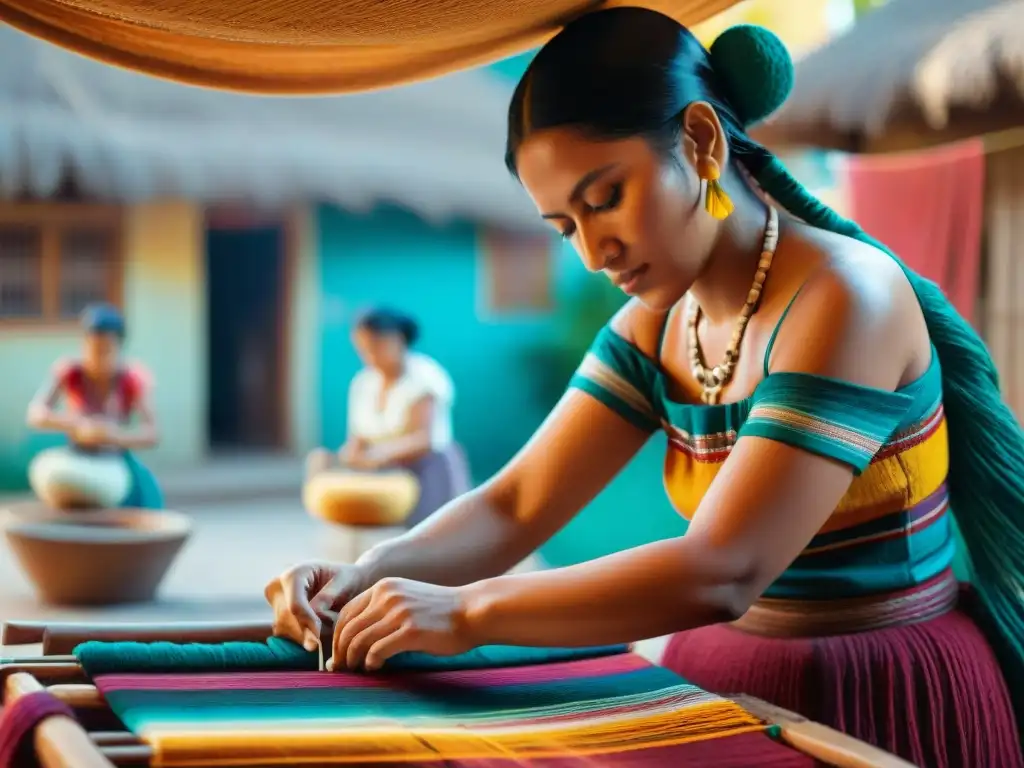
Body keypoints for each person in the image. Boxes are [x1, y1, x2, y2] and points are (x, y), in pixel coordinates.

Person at [265, 11, 1024, 766]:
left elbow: (724, 569)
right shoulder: (656, 328)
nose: (596, 251)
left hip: (881, 696)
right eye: (566, 226)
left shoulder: (846, 299)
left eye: (606, 198)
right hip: (727, 679)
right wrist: (364, 577)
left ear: (700, 141)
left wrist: (467, 611)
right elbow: (516, 504)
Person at [306, 307, 469, 528]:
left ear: (398, 340)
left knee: (428, 538)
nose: (370, 354)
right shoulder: (364, 382)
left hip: (427, 471)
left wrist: (379, 454)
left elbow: (423, 438)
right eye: (363, 348)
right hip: (382, 472)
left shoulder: (424, 376)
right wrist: (352, 454)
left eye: (376, 345)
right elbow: (359, 436)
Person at [25, 302, 163, 510]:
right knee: (52, 476)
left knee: (134, 499)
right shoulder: (70, 371)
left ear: (119, 348)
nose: (98, 357)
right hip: (77, 455)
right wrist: (78, 423)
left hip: (114, 458)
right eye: (93, 349)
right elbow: (35, 414)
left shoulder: (132, 378)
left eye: (106, 350)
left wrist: (111, 434)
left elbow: (152, 433)